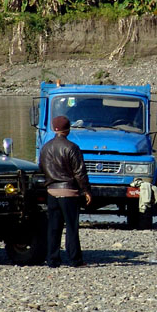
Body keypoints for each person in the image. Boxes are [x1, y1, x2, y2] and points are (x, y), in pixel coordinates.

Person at [39, 115, 93, 268]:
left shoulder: (46, 147)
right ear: (68, 129)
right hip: (69, 192)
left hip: (51, 191)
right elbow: (79, 173)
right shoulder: (72, 147)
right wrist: (86, 191)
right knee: (71, 227)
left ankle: (52, 260)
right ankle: (75, 260)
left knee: (54, 227)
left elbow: (41, 168)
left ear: (54, 129)